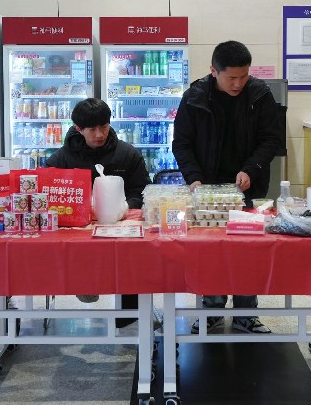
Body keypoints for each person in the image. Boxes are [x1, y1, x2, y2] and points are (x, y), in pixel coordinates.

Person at [172, 40, 281, 334]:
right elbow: (181, 143)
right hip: (207, 187)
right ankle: (212, 311)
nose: (238, 83)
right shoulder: (194, 97)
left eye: (244, 76)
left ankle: (246, 314)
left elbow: (271, 139)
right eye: (231, 77)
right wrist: (194, 177)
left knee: (247, 251)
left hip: (246, 186)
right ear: (213, 71)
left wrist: (252, 168)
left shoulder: (260, 94)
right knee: (210, 251)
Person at [46, 98, 150, 325]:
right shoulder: (61, 158)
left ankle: (130, 315)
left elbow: (142, 190)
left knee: (134, 254)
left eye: (104, 126)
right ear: (78, 129)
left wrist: (123, 207)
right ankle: (85, 284)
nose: (99, 134)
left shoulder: (127, 154)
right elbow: (48, 192)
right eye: (91, 129)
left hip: (120, 225)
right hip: (79, 230)